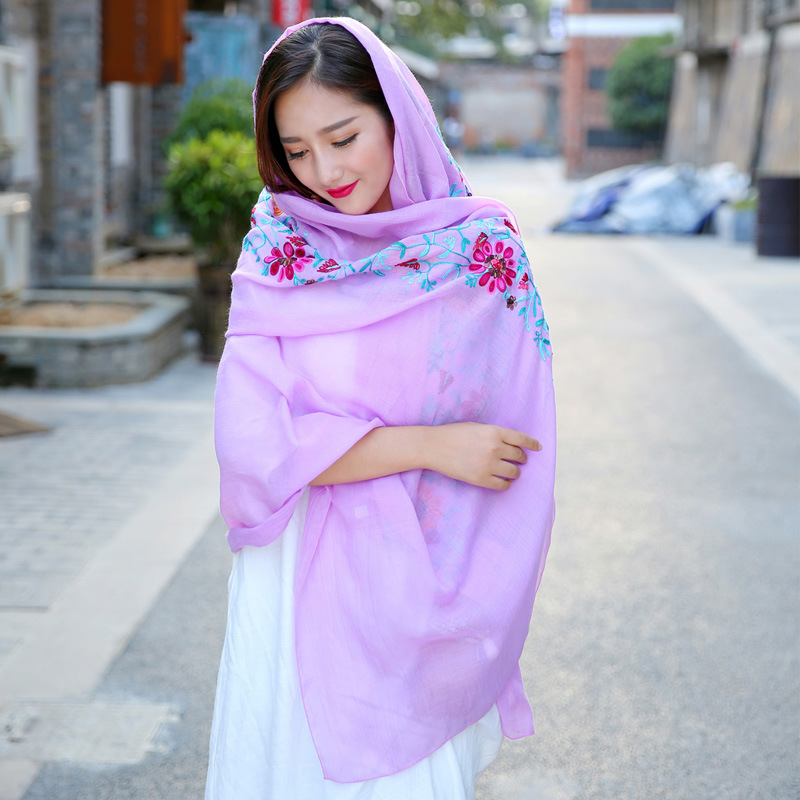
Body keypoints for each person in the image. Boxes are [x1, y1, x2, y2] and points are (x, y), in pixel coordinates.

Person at [206, 17, 556, 800]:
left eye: (343, 137)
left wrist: (400, 453)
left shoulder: (477, 253)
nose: (323, 171)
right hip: (297, 574)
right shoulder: (279, 243)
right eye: (296, 151)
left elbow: (511, 445)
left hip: (427, 577)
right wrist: (429, 446)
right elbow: (251, 445)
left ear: (398, 115)